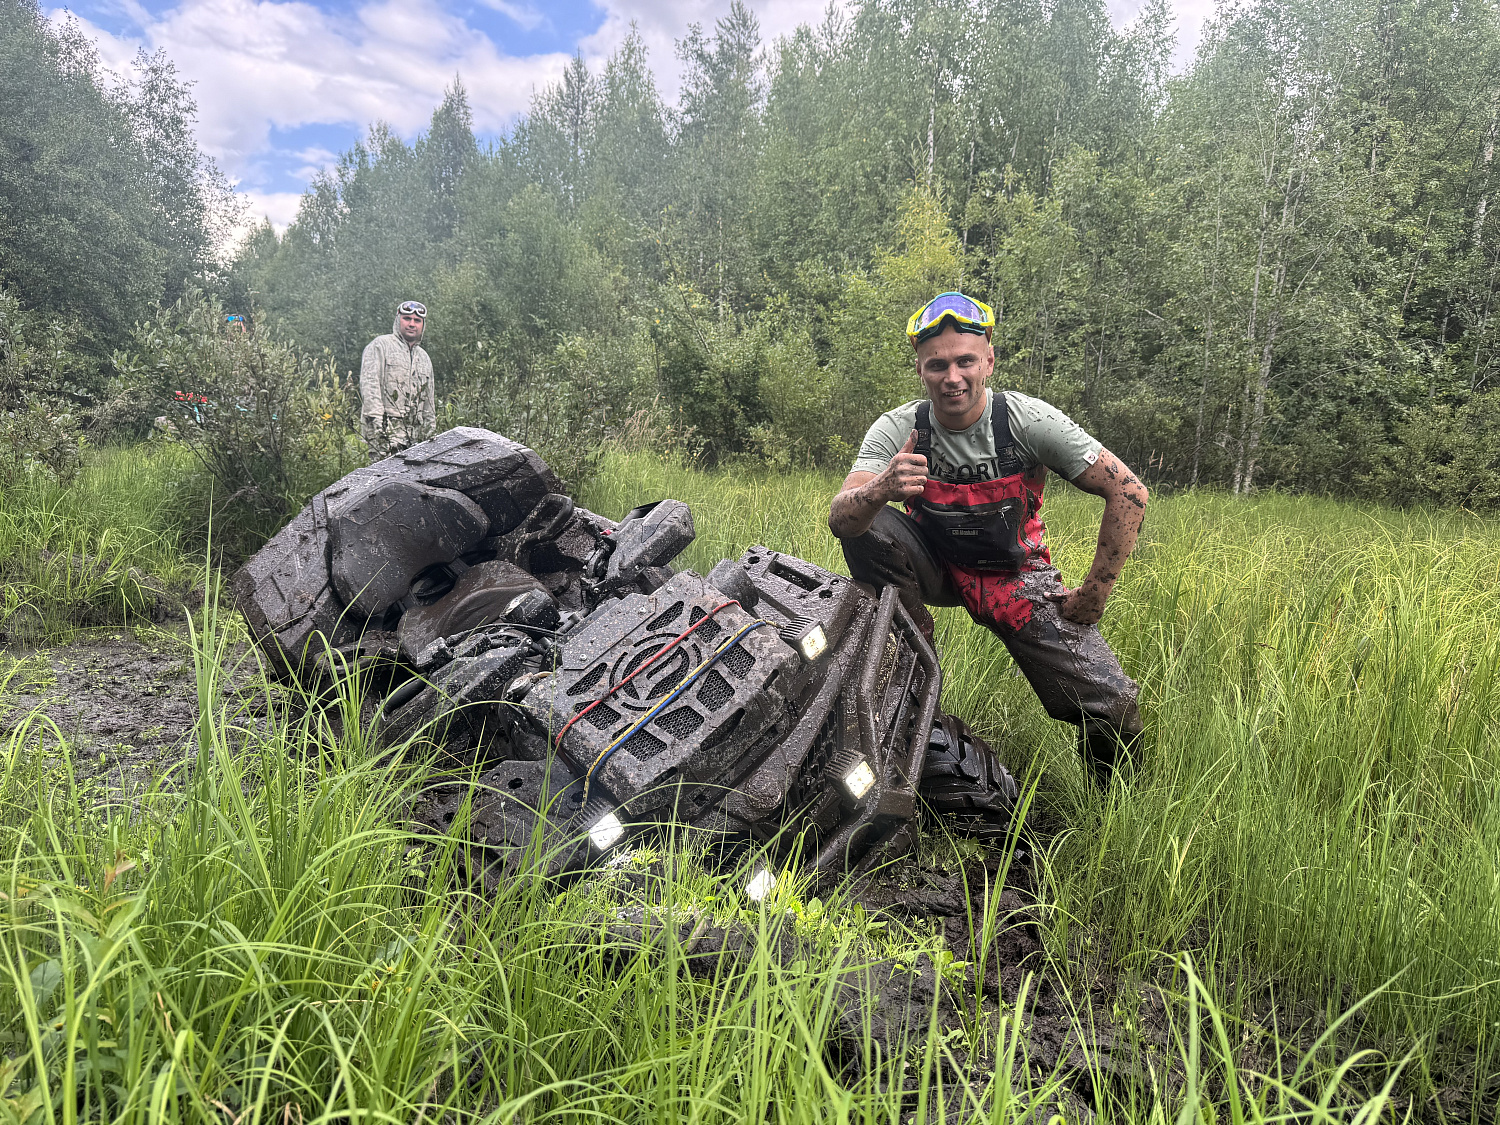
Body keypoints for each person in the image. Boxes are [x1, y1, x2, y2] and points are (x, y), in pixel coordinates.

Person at [828, 292, 1148, 786]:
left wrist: (1094, 594)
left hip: (1014, 578)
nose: (952, 377)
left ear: (989, 361)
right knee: (872, 525)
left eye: (965, 361)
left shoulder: (1027, 421)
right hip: (935, 565)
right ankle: (906, 657)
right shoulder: (899, 427)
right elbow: (841, 519)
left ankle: (1110, 804)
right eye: (937, 365)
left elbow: (1128, 492)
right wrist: (881, 488)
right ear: (920, 370)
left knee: (1113, 704)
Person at [360, 300, 436, 457]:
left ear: (423, 325)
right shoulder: (380, 346)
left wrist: (430, 436)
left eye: (417, 320)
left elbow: (429, 403)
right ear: (398, 320)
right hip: (386, 433)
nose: (412, 324)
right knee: (383, 473)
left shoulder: (424, 358)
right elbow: (370, 388)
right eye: (407, 318)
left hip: (416, 438)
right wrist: (379, 429)